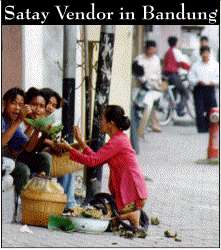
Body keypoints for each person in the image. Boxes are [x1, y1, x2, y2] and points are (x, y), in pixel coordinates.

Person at [57, 105, 148, 228]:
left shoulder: (118, 141)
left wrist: (69, 149)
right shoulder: (118, 139)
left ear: (110, 123)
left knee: (99, 220)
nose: (99, 122)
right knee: (97, 216)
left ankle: (131, 215)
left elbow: (92, 161)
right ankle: (129, 215)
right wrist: (81, 142)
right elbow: (96, 159)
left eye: (102, 119)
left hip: (133, 197)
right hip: (132, 196)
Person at [2, 87, 51, 221]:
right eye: (13, 103)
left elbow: (29, 148)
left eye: (20, 105)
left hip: (9, 163)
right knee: (22, 169)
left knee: (44, 158)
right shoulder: (7, 121)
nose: (17, 108)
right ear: (4, 104)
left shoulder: (13, 123)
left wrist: (37, 129)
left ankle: (40, 204)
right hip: (5, 164)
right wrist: (19, 121)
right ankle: (20, 211)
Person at [41, 87, 79, 209]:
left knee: (67, 165)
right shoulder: (34, 116)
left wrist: (57, 143)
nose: (50, 108)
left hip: (47, 154)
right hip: (36, 156)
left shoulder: (48, 120)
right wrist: (50, 143)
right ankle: (68, 203)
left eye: (54, 105)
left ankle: (68, 202)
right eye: (49, 103)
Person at [133, 40, 164, 135]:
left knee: (151, 105)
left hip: (153, 85)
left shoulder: (156, 59)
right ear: (146, 49)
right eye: (150, 50)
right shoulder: (139, 59)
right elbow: (135, 72)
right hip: (141, 84)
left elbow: (158, 74)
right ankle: (137, 127)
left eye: (153, 50)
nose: (152, 52)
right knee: (137, 103)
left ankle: (152, 124)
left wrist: (159, 85)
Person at [188, 46, 219, 133]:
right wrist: (197, 81)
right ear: (200, 54)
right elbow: (190, 77)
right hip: (199, 88)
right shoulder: (196, 65)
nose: (205, 55)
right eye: (203, 53)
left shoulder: (215, 65)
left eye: (206, 53)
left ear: (209, 53)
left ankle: (210, 127)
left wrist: (214, 82)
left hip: (210, 88)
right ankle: (201, 128)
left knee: (211, 108)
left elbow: (218, 77)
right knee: (199, 109)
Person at [162, 36, 191, 116]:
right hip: (173, 75)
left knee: (173, 94)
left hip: (166, 76)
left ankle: (170, 114)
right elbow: (182, 63)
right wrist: (190, 69)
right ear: (176, 43)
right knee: (185, 93)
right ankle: (180, 110)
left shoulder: (167, 52)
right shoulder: (175, 51)